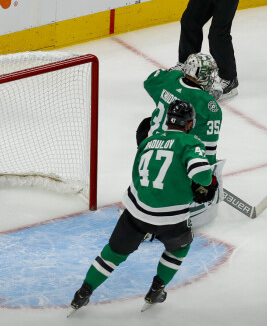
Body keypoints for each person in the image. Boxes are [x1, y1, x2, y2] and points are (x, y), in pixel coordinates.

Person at [70, 100, 217, 314]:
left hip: (137, 211)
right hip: (170, 218)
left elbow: (138, 173)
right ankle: (157, 289)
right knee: (179, 248)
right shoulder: (190, 143)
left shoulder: (150, 141)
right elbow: (202, 176)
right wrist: (207, 183)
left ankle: (83, 293)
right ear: (188, 124)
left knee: (112, 254)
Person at [136, 53, 223, 227]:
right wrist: (207, 178)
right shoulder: (207, 104)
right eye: (209, 73)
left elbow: (149, 82)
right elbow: (208, 150)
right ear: (200, 74)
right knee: (190, 150)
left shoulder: (172, 77)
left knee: (148, 124)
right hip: (174, 155)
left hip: (148, 145)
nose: (212, 78)